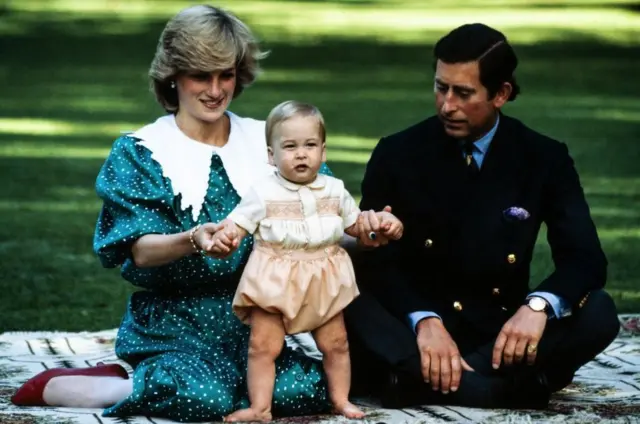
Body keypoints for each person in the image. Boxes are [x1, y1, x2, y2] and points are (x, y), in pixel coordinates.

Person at [10, 5, 358, 422]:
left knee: (306, 390)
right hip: (175, 318)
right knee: (204, 398)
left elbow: (327, 217)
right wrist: (194, 239)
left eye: (225, 74)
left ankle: (168, 382)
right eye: (200, 75)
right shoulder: (142, 151)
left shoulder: (271, 141)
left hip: (255, 316)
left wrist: (368, 231)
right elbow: (138, 250)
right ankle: (114, 384)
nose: (215, 89)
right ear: (172, 76)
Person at [344, 23, 620, 409]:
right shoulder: (398, 152)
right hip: (414, 333)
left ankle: (412, 385)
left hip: (496, 335)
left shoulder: (543, 158)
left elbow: (585, 258)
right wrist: (425, 321)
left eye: (463, 93)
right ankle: (511, 389)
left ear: (501, 93)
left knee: (601, 311)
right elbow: (377, 262)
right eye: (441, 87)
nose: (446, 105)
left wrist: (537, 307)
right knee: (342, 288)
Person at [209, 100, 403, 422]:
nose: (301, 153)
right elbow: (238, 222)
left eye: (310, 145)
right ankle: (261, 408)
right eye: (290, 146)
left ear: (323, 152)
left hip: (324, 276)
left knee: (337, 343)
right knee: (262, 346)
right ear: (271, 156)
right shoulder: (263, 192)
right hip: (275, 277)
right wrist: (226, 234)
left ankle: (340, 399)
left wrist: (379, 225)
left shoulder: (335, 190)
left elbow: (355, 226)